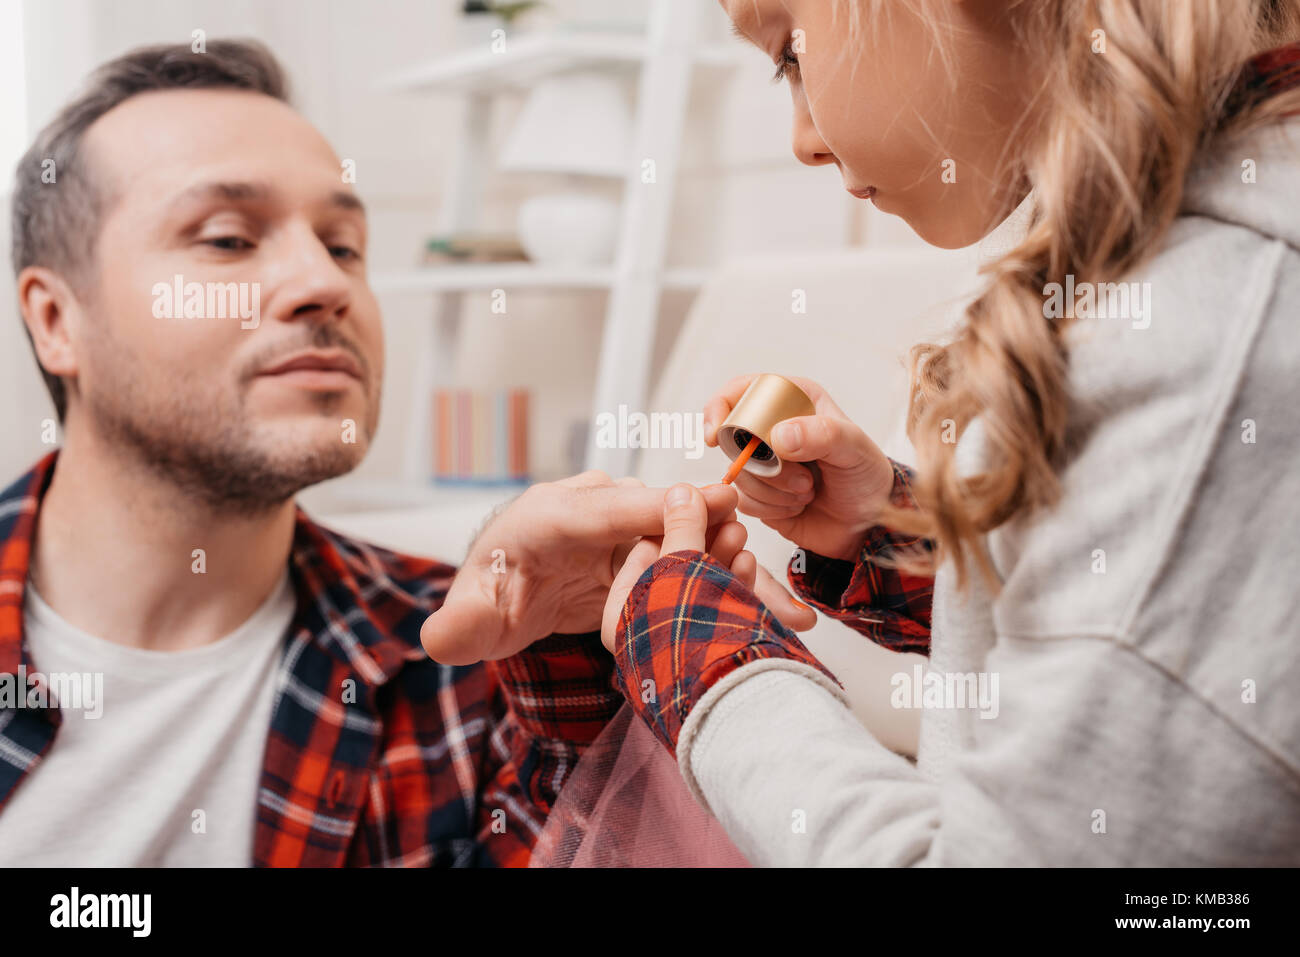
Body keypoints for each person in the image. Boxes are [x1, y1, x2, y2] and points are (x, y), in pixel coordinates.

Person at [0, 38, 810, 866]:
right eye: (227, 240)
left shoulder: (482, 666)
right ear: (57, 320)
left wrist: (610, 677)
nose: (325, 283)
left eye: (344, 246)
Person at [585, 0, 1300, 865]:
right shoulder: (1189, 296)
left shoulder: (1211, 348)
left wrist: (711, 668)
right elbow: (1134, 649)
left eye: (791, 57)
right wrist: (899, 537)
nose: (803, 139)